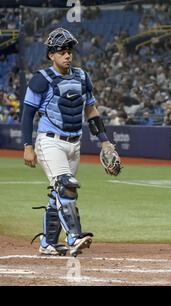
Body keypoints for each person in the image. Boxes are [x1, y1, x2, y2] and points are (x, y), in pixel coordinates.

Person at [22, 28, 119, 257]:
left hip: (75, 144)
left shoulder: (82, 77)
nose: (67, 56)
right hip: (49, 142)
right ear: (51, 55)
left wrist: (105, 142)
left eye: (69, 52)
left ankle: (48, 243)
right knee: (66, 185)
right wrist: (27, 146)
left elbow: (91, 110)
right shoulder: (41, 79)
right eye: (62, 52)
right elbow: (27, 114)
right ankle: (74, 236)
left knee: (59, 193)